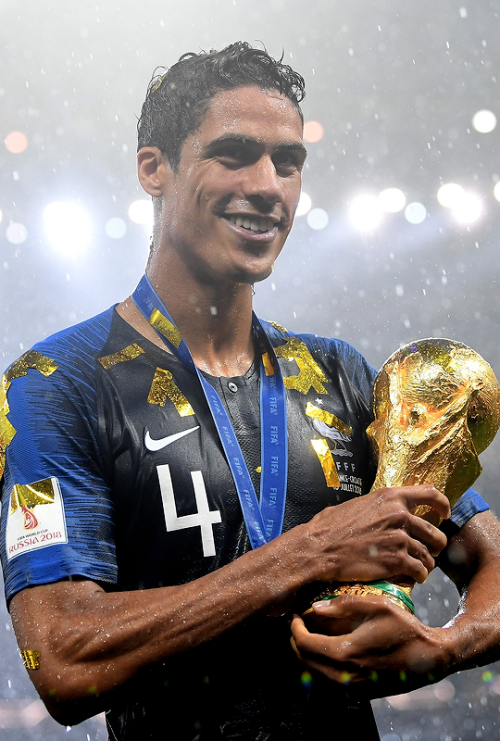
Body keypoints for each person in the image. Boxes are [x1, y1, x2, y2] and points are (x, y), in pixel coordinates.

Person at [1, 41, 500, 741]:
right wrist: (309, 554)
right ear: (154, 167)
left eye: (288, 162)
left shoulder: (341, 377)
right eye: (234, 153)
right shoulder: (54, 385)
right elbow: (60, 657)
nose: (269, 185)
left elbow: (494, 565)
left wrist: (446, 647)